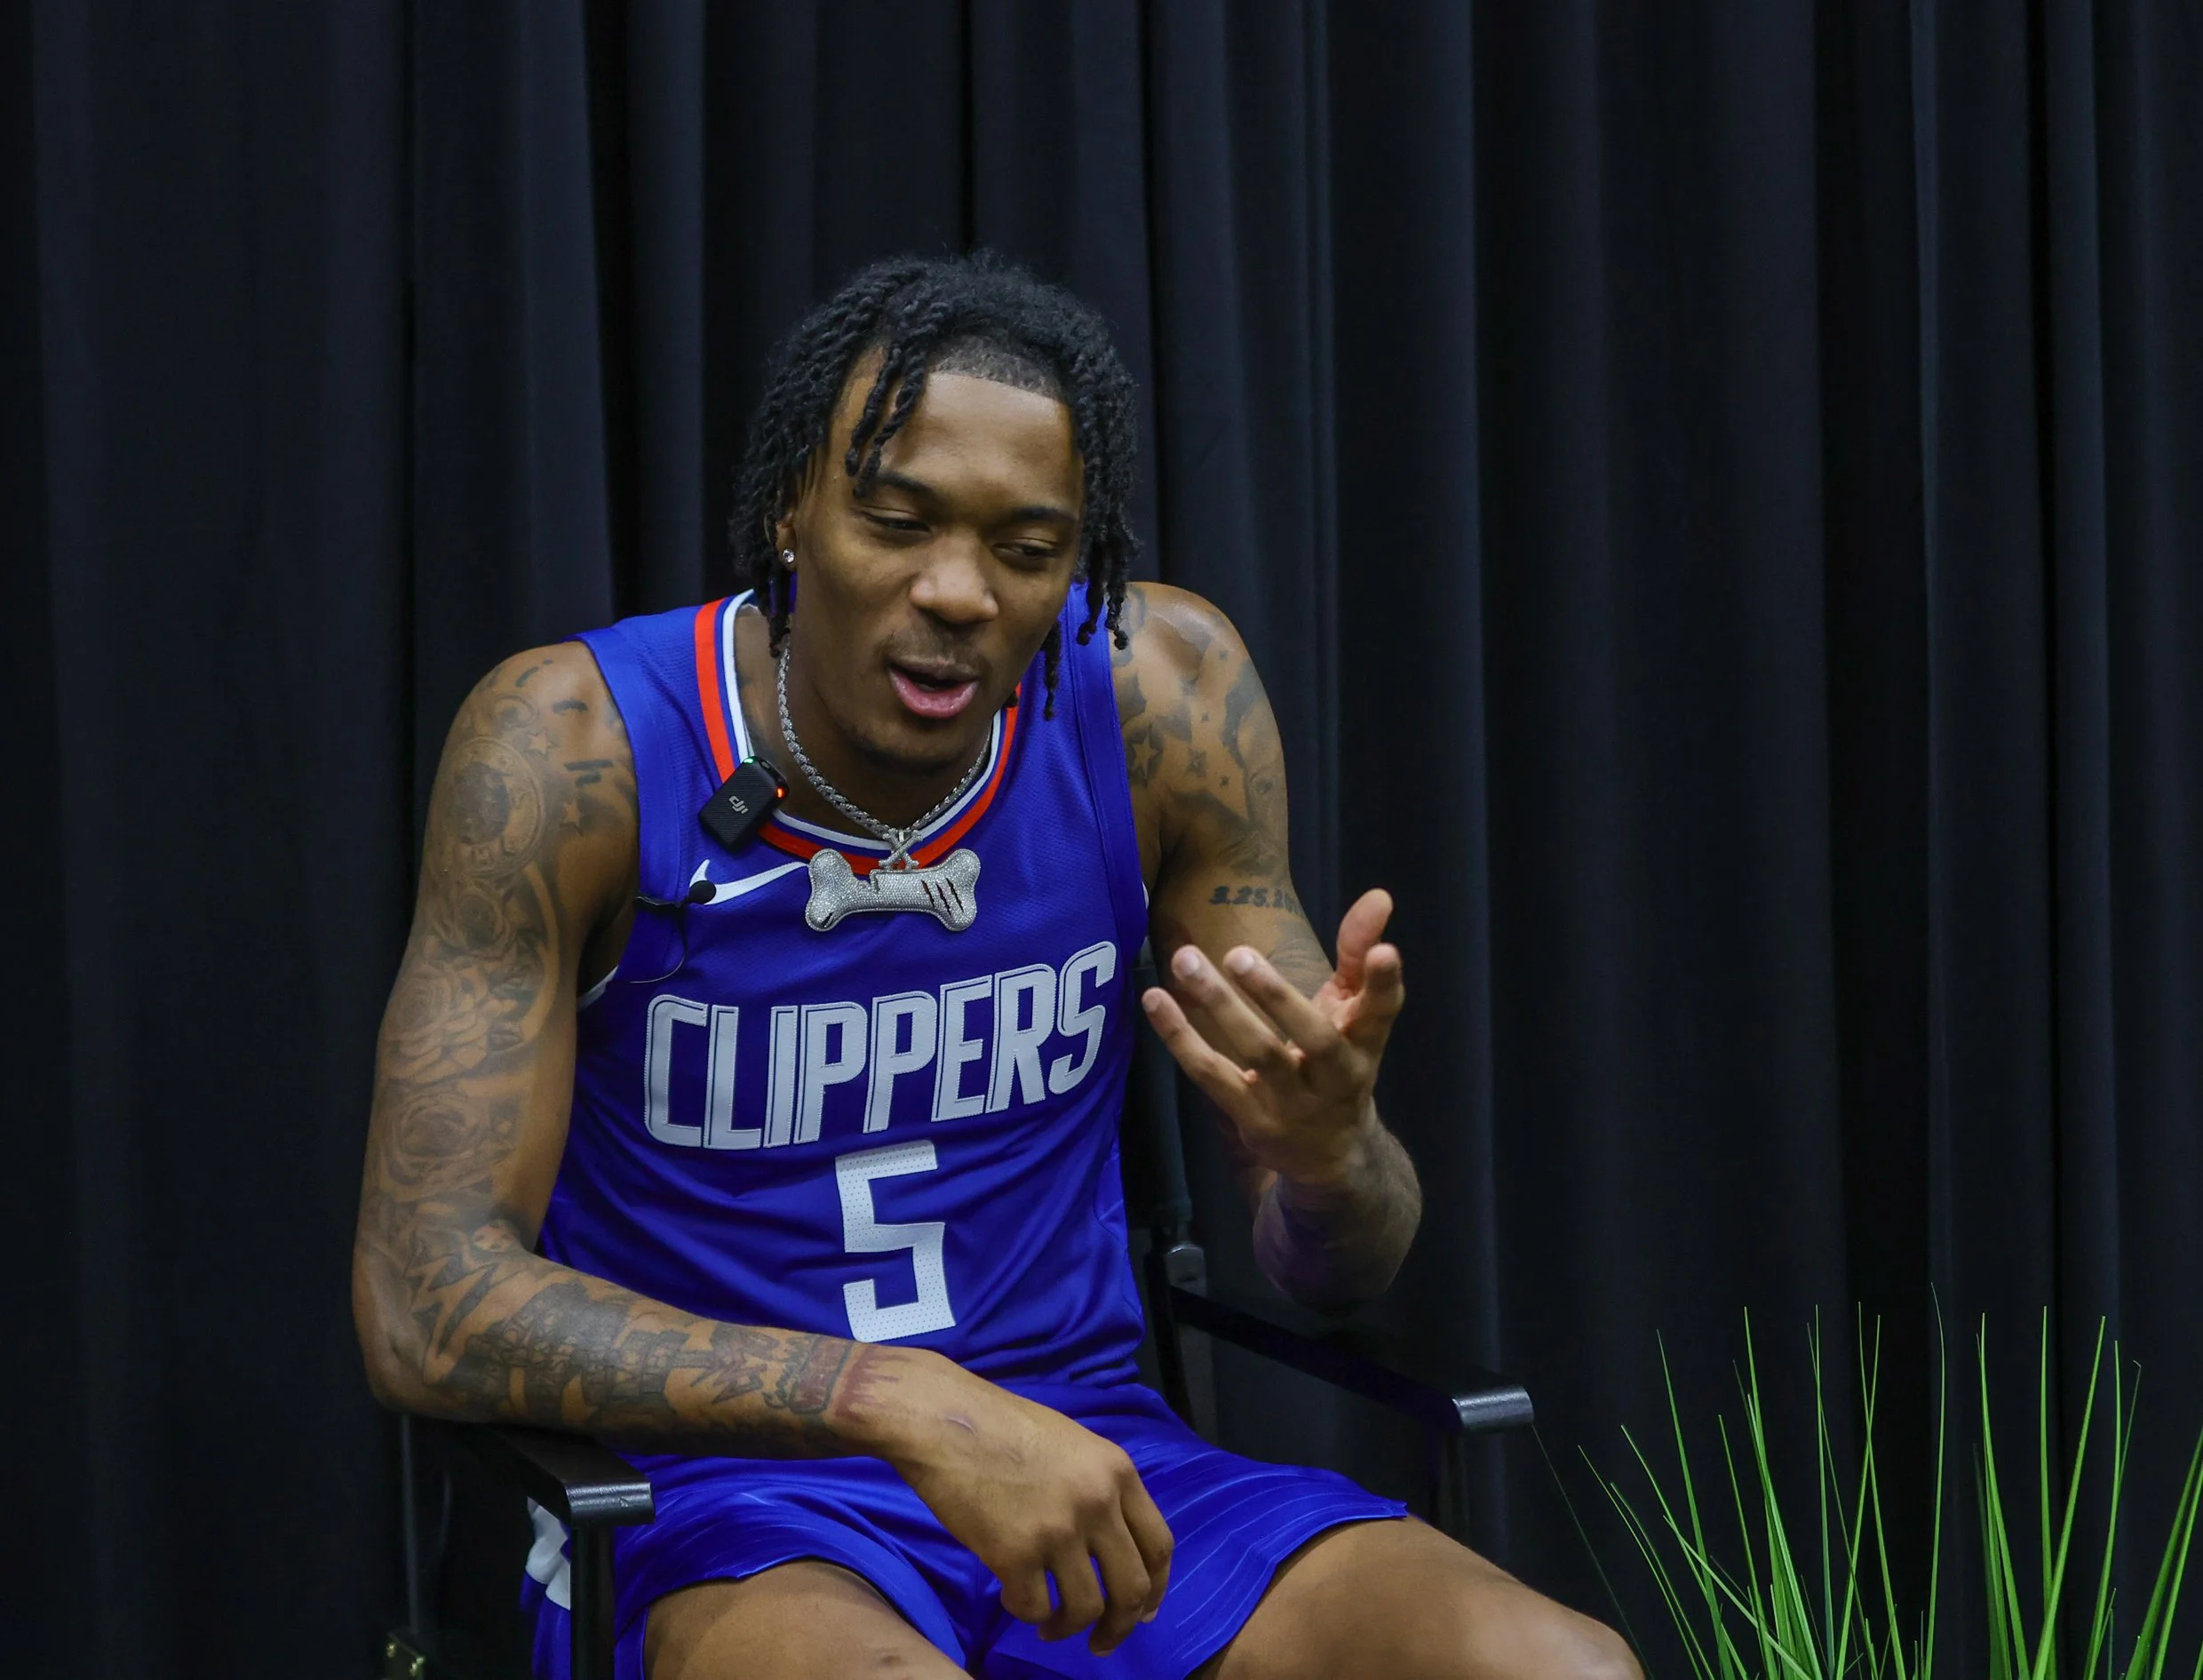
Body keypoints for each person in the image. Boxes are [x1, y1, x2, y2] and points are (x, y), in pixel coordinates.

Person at [352, 252, 1636, 1680]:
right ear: (790, 508)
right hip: (721, 1503)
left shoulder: (1163, 700)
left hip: (1088, 1461)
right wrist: (900, 1401)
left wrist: (1334, 1161)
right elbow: (425, 1301)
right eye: (896, 521)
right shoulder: (573, 746)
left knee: (1558, 1669)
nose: (958, 591)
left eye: (1028, 549)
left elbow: (1332, 1264)